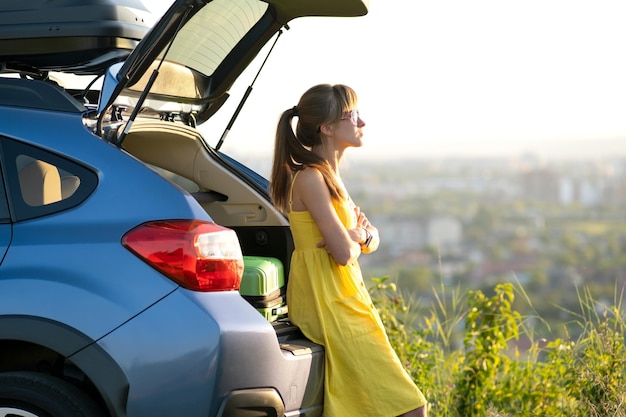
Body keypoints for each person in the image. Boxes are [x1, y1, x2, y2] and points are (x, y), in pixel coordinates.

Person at [270, 84, 428, 417]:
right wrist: (357, 236)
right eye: (352, 115)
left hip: (345, 295)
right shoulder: (312, 179)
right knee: (411, 407)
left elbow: (370, 237)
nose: (362, 122)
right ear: (326, 128)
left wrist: (357, 235)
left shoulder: (331, 179)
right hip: (328, 298)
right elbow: (342, 253)